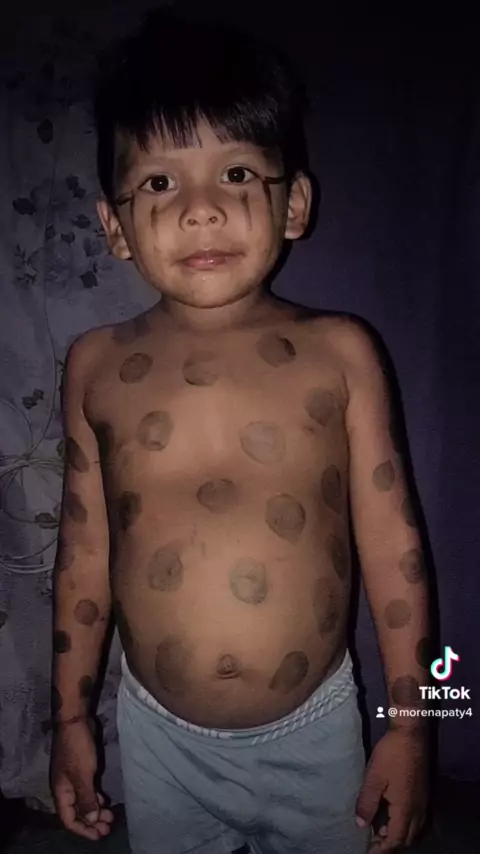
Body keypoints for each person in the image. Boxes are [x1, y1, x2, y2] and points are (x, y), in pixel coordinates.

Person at [49, 9, 430, 854]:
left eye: (236, 173)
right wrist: (69, 719)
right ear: (113, 226)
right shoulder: (95, 364)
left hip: (316, 731)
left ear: (294, 203)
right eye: (159, 183)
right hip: (158, 740)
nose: (201, 210)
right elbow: (82, 553)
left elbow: (397, 545)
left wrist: (415, 726)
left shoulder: (341, 352)